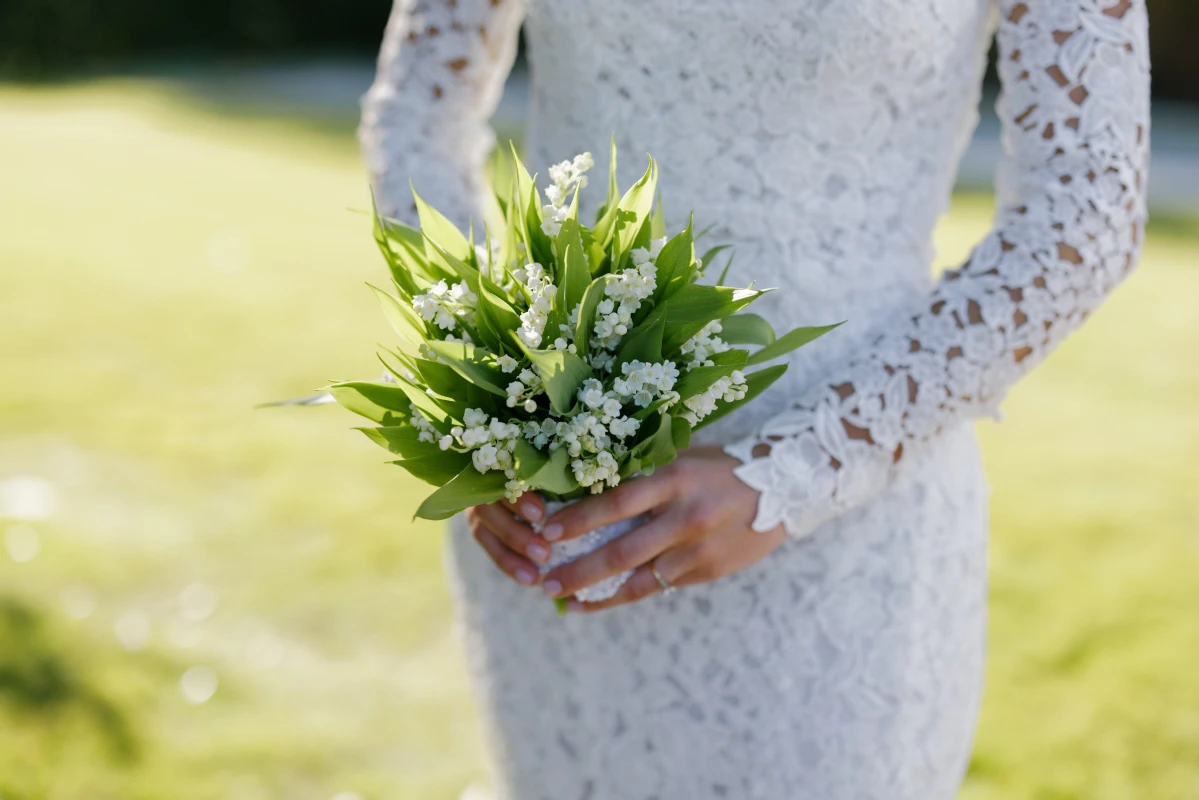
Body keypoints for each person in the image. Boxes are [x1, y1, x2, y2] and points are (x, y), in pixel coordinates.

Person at [359, 1, 1150, 797]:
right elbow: (416, 117)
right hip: (559, 506)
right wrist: (489, 399)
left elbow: (1086, 205)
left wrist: (791, 475)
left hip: (842, 525)